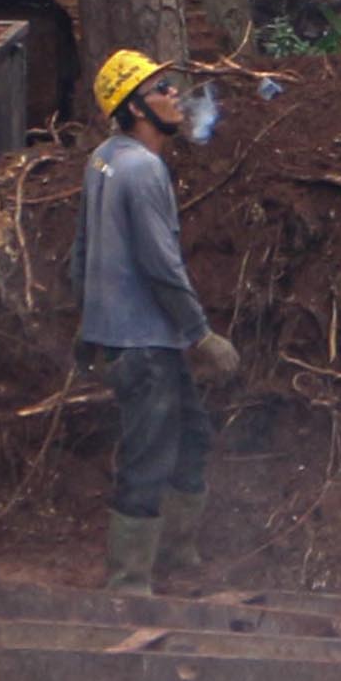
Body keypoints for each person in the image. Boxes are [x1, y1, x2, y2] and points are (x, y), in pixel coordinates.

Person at [78, 48, 239, 591]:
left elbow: (82, 250)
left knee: (191, 435)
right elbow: (161, 264)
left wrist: (88, 326)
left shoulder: (103, 158)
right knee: (150, 454)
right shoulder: (143, 169)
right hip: (144, 341)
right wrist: (202, 335)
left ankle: (177, 553)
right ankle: (129, 582)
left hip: (132, 338)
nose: (175, 95)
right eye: (162, 89)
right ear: (135, 109)